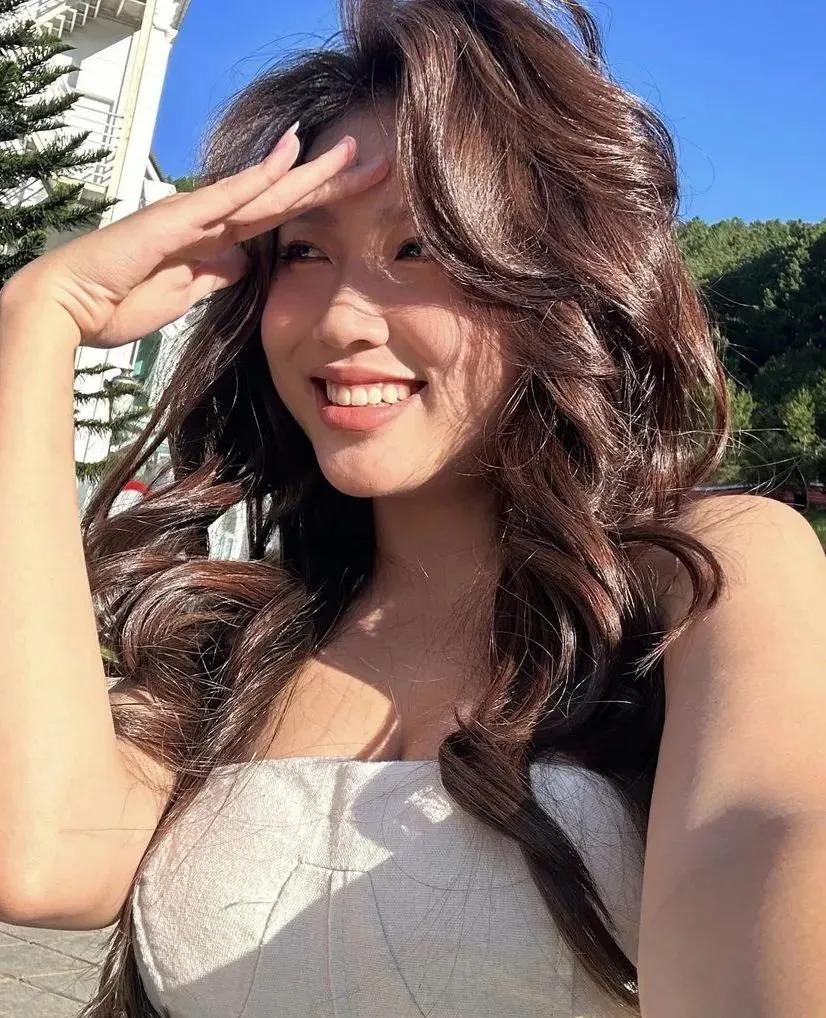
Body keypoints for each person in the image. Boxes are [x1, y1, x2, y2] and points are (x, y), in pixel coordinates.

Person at [0, 0, 823, 1015]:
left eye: (421, 247)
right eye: (302, 252)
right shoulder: (247, 640)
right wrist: (38, 322)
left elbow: (769, 828)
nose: (342, 318)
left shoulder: (696, 578)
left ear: (555, 281)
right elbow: (43, 858)